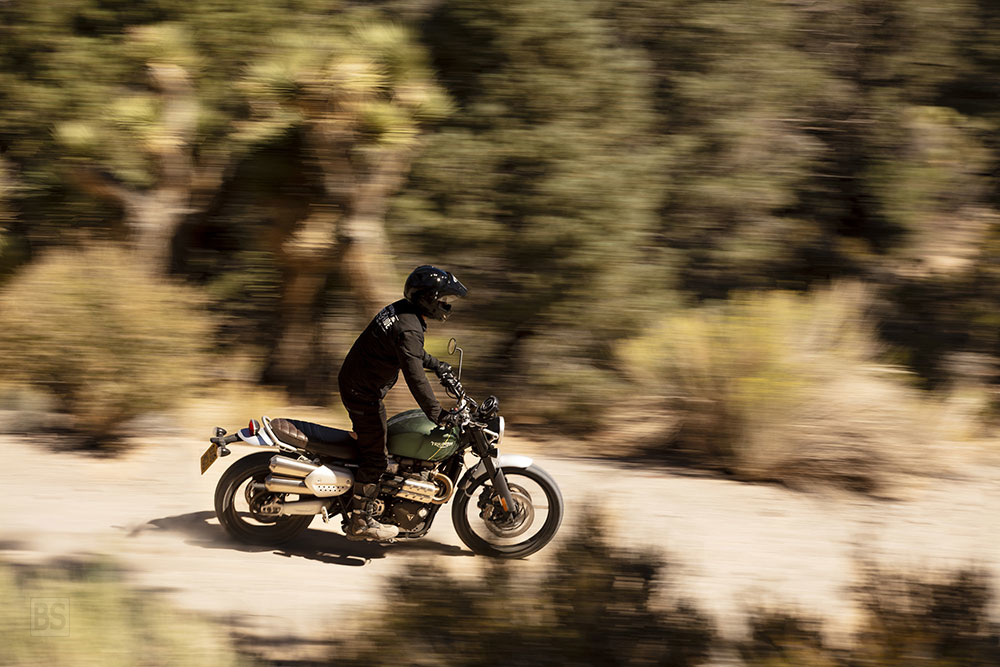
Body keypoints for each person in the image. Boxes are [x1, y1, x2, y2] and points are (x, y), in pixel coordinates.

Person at [337, 265, 467, 541]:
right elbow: (415, 377)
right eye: (444, 299)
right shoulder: (409, 326)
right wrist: (438, 415)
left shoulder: (404, 312)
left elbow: (411, 353)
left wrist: (438, 366)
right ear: (429, 299)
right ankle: (360, 520)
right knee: (376, 456)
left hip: (360, 383)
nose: (447, 305)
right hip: (362, 391)